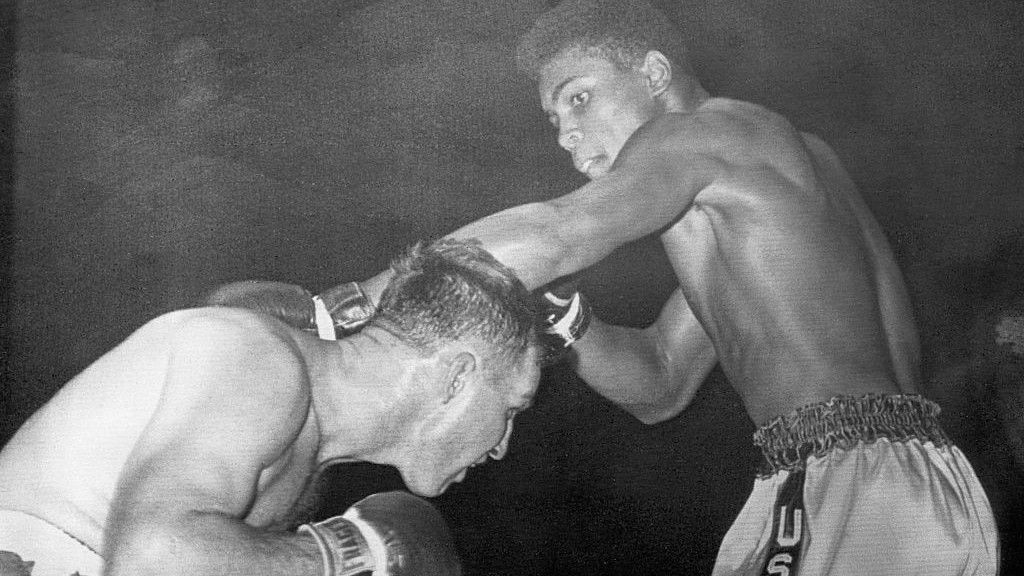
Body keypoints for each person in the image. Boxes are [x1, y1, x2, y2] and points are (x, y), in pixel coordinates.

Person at [346, 1, 1000, 574]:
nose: (567, 132)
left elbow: (560, 230)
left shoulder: (705, 132)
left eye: (579, 97)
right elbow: (660, 382)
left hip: (849, 483)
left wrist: (357, 306)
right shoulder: (766, 194)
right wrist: (569, 320)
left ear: (655, 75)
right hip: (917, 483)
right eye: (554, 120)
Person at [0, 238, 541, 576]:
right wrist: (362, 551)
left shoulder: (310, 461)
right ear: (459, 377)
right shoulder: (259, 358)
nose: (502, 446)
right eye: (512, 409)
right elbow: (152, 559)